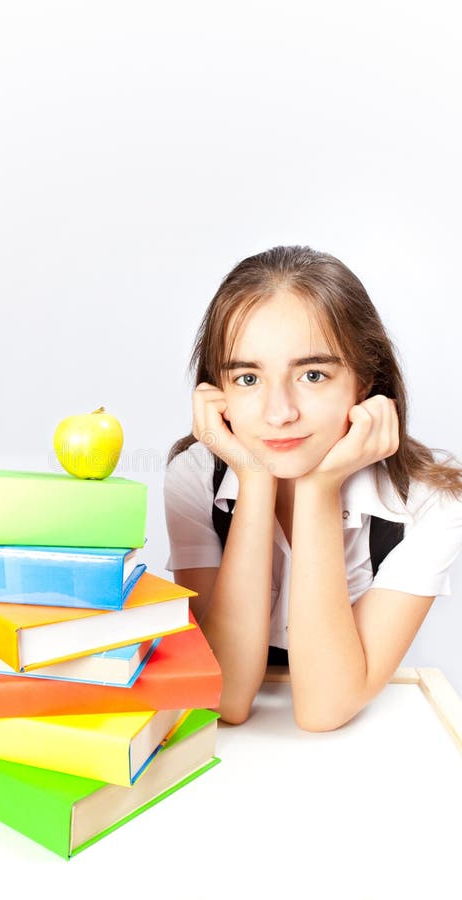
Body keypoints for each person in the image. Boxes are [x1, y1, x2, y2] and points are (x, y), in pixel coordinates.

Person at [164, 245, 462, 732]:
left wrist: (321, 489)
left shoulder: (431, 504)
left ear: (364, 380)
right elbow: (224, 696)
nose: (279, 412)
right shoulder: (196, 477)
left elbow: (325, 709)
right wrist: (254, 478)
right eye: (248, 378)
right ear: (218, 391)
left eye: (313, 374)